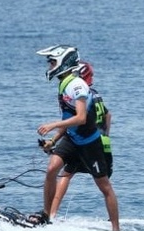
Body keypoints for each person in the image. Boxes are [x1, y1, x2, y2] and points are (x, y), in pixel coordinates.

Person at [33, 45, 120, 231]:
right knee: (51, 169)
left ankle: (116, 230)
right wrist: (54, 141)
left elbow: (80, 118)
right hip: (72, 139)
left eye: (52, 62)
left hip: (89, 143)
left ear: (64, 63)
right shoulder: (64, 83)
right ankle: (47, 216)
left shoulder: (77, 85)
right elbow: (69, 120)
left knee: (104, 187)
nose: (49, 67)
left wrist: (52, 125)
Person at [44, 62, 113, 213]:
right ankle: (113, 225)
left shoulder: (80, 94)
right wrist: (105, 135)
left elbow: (78, 120)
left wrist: (54, 137)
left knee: (66, 175)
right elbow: (107, 115)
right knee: (104, 184)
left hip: (87, 140)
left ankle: (52, 214)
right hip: (102, 141)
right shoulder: (95, 93)